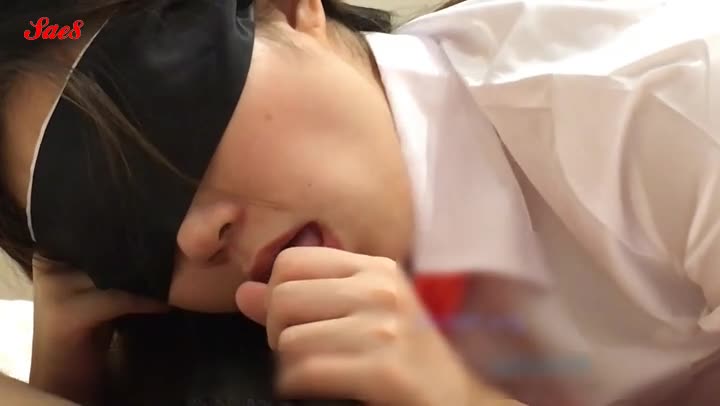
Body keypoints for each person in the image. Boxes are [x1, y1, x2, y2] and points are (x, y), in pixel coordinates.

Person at [0, 0, 719, 405]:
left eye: (176, 121)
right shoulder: (236, 340)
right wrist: (70, 377)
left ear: (289, 9)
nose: (194, 238)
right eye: (117, 233)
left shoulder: (670, 102)